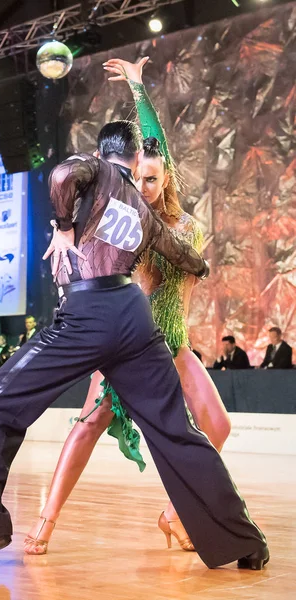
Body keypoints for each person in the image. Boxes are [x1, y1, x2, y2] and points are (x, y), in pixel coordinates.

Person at [0, 117, 268, 572]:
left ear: (100, 153)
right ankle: (246, 542)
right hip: (134, 318)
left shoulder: (94, 170)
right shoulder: (143, 210)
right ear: (136, 160)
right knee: (177, 431)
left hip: (86, 314)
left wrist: (61, 226)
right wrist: (198, 263)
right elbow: (188, 258)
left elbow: (59, 176)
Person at [24, 56, 231, 556]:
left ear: (166, 180)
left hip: (174, 346)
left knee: (217, 427)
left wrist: (139, 89)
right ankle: (46, 522)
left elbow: (159, 147)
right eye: (139, 177)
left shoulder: (178, 226)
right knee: (90, 424)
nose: (144, 185)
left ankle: (173, 515)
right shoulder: (128, 226)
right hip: (132, 344)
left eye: (154, 179)